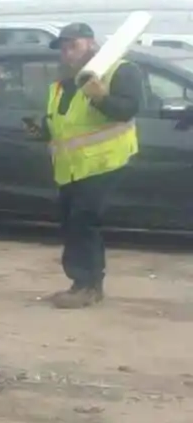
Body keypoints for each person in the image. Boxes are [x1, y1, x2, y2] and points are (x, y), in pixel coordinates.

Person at [25, 22, 142, 308]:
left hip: (105, 163)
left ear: (91, 43)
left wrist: (101, 97)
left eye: (73, 46)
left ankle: (88, 286)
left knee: (84, 222)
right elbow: (64, 123)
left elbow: (127, 110)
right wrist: (42, 131)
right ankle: (80, 284)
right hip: (71, 168)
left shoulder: (120, 70)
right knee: (72, 224)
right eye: (64, 49)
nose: (67, 54)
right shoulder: (63, 82)